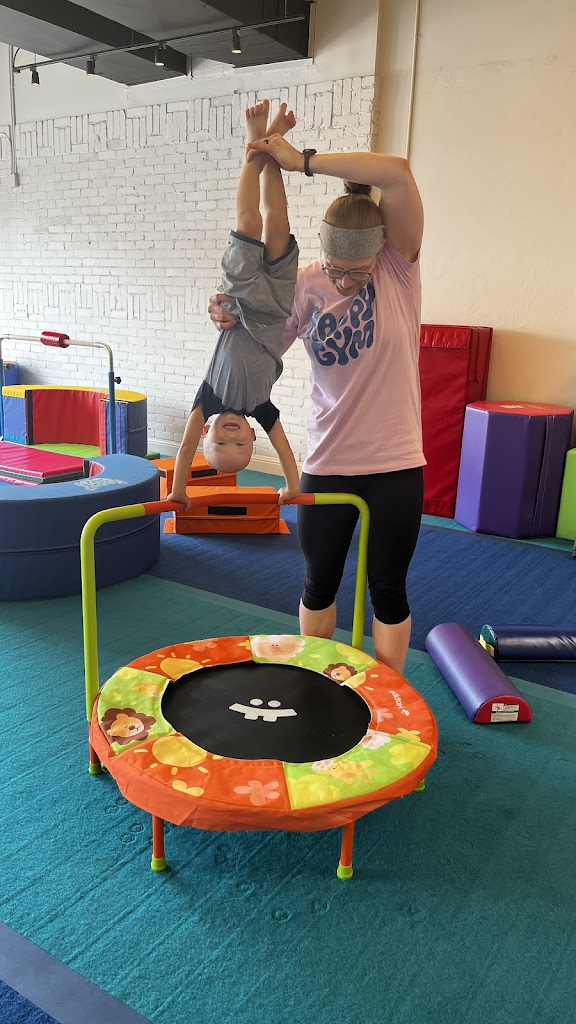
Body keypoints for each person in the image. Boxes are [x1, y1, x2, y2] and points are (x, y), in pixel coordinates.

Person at [209, 136, 424, 676]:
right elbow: (258, 352)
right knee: (318, 581)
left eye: (359, 272)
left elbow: (397, 172)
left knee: (388, 587)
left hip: (396, 461)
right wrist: (228, 318)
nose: (345, 282)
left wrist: (300, 161)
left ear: (381, 251)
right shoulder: (304, 286)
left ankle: (390, 690)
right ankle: (315, 680)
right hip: (329, 460)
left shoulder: (399, 268)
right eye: (335, 269)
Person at [167, 101, 301, 508]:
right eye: (239, 443)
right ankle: (273, 144)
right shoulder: (262, 409)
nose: (230, 437)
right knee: (278, 222)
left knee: (249, 223)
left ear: (206, 433)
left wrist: (178, 490)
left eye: (219, 442)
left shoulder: (207, 398)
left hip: (241, 299)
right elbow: (285, 451)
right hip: (276, 306)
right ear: (252, 435)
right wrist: (292, 487)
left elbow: (184, 447)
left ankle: (255, 143)